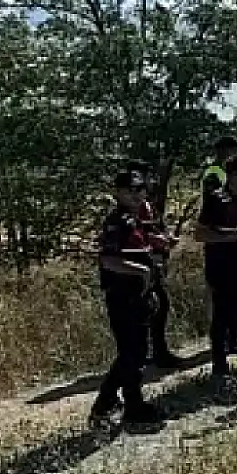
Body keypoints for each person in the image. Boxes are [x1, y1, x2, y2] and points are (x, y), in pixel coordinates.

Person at [90, 171, 165, 427]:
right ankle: (105, 401)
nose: (136, 193)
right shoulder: (117, 221)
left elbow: (139, 250)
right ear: (118, 193)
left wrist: (157, 245)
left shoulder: (136, 220)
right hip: (122, 295)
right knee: (131, 353)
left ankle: (133, 403)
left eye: (140, 188)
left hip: (139, 294)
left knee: (138, 352)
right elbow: (108, 259)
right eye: (130, 189)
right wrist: (141, 271)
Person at [192, 153, 237, 387]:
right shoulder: (216, 199)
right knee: (222, 314)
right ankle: (219, 364)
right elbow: (200, 233)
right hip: (220, 266)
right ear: (232, 175)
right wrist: (229, 237)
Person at [128, 158, 184, 370]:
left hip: (152, 261)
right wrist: (159, 241)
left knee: (157, 307)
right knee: (155, 307)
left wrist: (166, 237)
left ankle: (155, 353)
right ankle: (154, 354)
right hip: (140, 264)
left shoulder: (147, 203)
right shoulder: (135, 207)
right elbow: (138, 235)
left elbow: (152, 229)